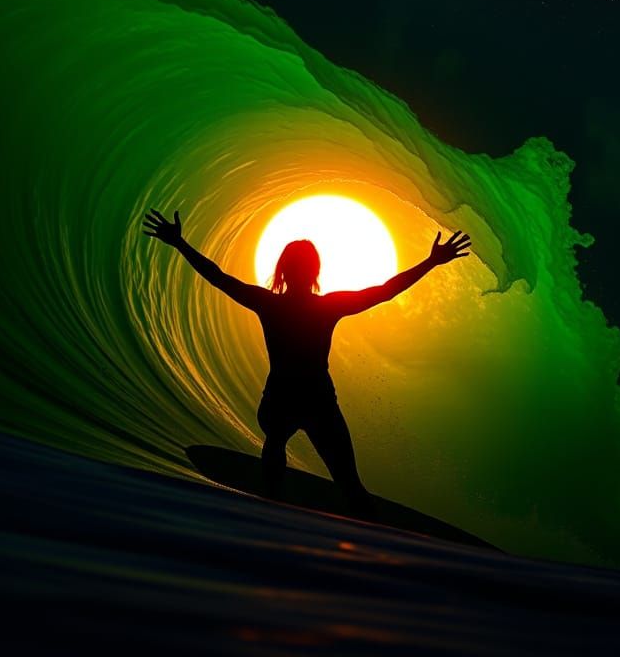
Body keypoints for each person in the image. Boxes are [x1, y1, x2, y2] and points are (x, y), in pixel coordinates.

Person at [142, 207, 471, 517]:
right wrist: (430, 262)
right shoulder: (326, 307)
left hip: (282, 397)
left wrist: (180, 243)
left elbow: (219, 277)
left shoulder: (269, 303)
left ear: (283, 270)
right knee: (348, 483)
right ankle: (361, 522)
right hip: (316, 400)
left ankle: (271, 500)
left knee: (276, 439)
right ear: (316, 271)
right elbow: (385, 291)